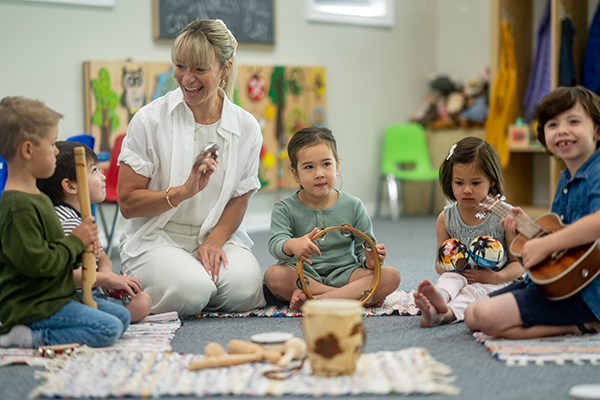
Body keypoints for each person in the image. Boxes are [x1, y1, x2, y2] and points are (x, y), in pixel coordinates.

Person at [117, 19, 265, 316]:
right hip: (155, 237)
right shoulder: (149, 120)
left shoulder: (247, 127)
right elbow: (128, 203)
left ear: (225, 70)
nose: (186, 78)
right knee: (192, 289)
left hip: (214, 234)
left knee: (246, 286)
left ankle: (194, 284)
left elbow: (240, 197)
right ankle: (189, 285)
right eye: (180, 66)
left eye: (199, 69)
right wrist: (182, 192)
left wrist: (215, 240)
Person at [465, 86, 600, 338]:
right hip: (556, 282)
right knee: (472, 314)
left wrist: (547, 243)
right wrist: (531, 229)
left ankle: (583, 324)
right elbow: (564, 233)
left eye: (573, 121)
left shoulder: (597, 171)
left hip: (588, 292)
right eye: (552, 124)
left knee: (486, 317)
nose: (562, 130)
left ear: (597, 130)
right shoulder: (566, 179)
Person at [0, 96, 130, 348]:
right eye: (51, 144)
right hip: (33, 306)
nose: (57, 151)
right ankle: (29, 335)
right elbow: (40, 264)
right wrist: (75, 240)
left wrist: (85, 252)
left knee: (122, 317)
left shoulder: (37, 198)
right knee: (109, 328)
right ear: (28, 150)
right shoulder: (17, 206)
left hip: (57, 296)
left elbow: (57, 256)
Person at [263, 127, 401, 310]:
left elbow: (364, 250)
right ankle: (350, 297)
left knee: (391, 276)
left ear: (337, 167)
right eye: (309, 167)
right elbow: (276, 244)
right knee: (273, 275)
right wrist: (291, 245)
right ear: (295, 174)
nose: (319, 173)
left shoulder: (354, 205)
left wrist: (370, 259)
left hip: (346, 274)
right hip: (304, 275)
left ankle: (317, 301)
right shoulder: (284, 208)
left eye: (326, 164)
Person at [414, 137, 524, 328]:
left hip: (497, 280)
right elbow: (439, 265)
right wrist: (452, 265)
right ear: (450, 182)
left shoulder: (504, 215)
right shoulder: (446, 218)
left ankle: (444, 314)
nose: (467, 190)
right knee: (448, 279)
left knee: (474, 292)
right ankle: (438, 299)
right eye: (459, 183)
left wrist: (494, 277)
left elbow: (519, 266)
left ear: (491, 181)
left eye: (475, 183)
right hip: (462, 274)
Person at [37, 141, 152, 322]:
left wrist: (107, 275)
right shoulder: (67, 223)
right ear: (71, 186)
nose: (103, 176)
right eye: (94, 171)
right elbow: (66, 275)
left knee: (142, 301)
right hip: (68, 298)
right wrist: (106, 279)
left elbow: (102, 257)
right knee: (134, 308)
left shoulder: (81, 218)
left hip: (91, 290)